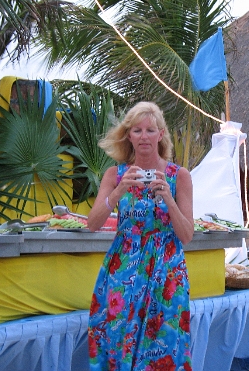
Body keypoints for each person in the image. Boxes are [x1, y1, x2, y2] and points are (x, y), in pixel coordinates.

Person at [86, 101, 194, 370]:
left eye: (150, 130)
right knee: (118, 339)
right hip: (124, 271)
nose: (144, 136)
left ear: (161, 134)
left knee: (165, 342)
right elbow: (93, 223)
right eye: (137, 130)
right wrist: (119, 191)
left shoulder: (179, 176)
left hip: (166, 272)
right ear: (129, 136)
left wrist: (169, 200)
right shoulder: (115, 175)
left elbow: (187, 234)